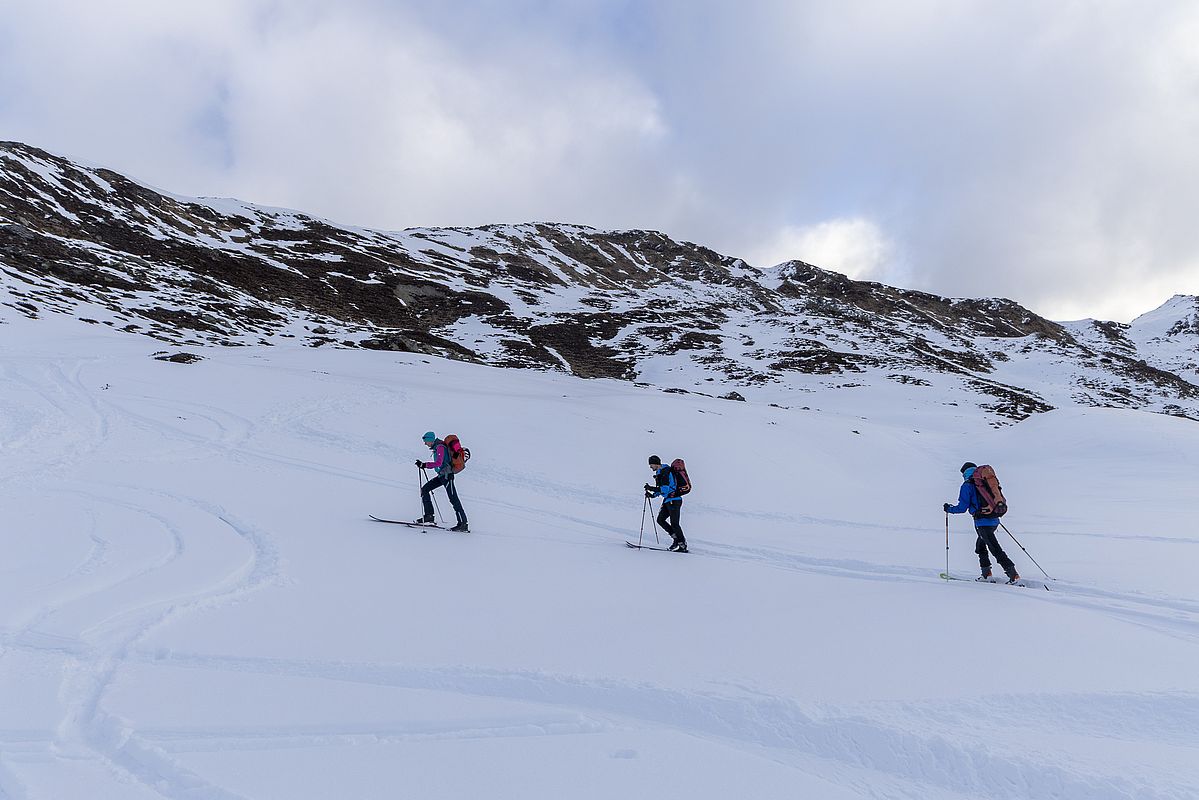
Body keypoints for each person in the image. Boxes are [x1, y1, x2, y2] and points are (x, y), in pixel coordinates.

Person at [944, 461, 1019, 582]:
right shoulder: (985, 481)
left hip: (982, 522)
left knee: (995, 549)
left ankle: (1013, 575)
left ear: (964, 473)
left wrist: (949, 509)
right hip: (994, 520)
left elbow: (962, 508)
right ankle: (986, 574)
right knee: (980, 546)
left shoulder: (967, 485)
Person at [415, 431, 468, 532]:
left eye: (426, 441)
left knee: (454, 499)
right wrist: (423, 465)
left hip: (447, 476)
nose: (425, 444)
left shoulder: (440, 447)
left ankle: (463, 523)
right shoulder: (437, 447)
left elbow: (438, 463)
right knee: (425, 489)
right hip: (442, 476)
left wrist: (424, 465)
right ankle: (429, 517)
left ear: (430, 440)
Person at [644, 455, 687, 552]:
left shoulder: (665, 471)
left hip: (674, 500)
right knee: (660, 520)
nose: (650, 467)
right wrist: (652, 495)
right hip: (668, 500)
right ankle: (676, 539)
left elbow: (665, 489)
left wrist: (651, 488)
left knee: (674, 523)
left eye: (651, 465)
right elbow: (661, 489)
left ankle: (682, 545)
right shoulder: (660, 472)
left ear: (656, 463)